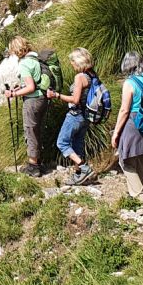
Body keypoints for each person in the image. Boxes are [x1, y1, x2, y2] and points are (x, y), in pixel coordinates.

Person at [110, 52, 143, 202]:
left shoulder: (129, 83)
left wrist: (116, 133)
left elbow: (124, 110)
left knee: (125, 160)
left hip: (135, 121)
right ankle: (142, 189)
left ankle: (140, 194)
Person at [47, 47, 98, 185]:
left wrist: (56, 95)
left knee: (62, 142)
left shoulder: (80, 77)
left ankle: (83, 167)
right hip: (86, 116)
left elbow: (75, 99)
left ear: (79, 61)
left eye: (73, 61)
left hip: (75, 115)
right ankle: (78, 175)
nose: (72, 64)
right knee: (77, 144)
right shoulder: (92, 75)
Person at [6, 36, 47, 177]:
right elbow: (36, 82)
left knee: (30, 130)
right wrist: (20, 88)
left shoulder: (24, 64)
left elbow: (30, 87)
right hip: (42, 98)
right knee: (37, 129)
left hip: (32, 101)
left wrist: (13, 93)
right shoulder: (36, 59)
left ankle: (33, 166)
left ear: (16, 49)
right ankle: (38, 162)